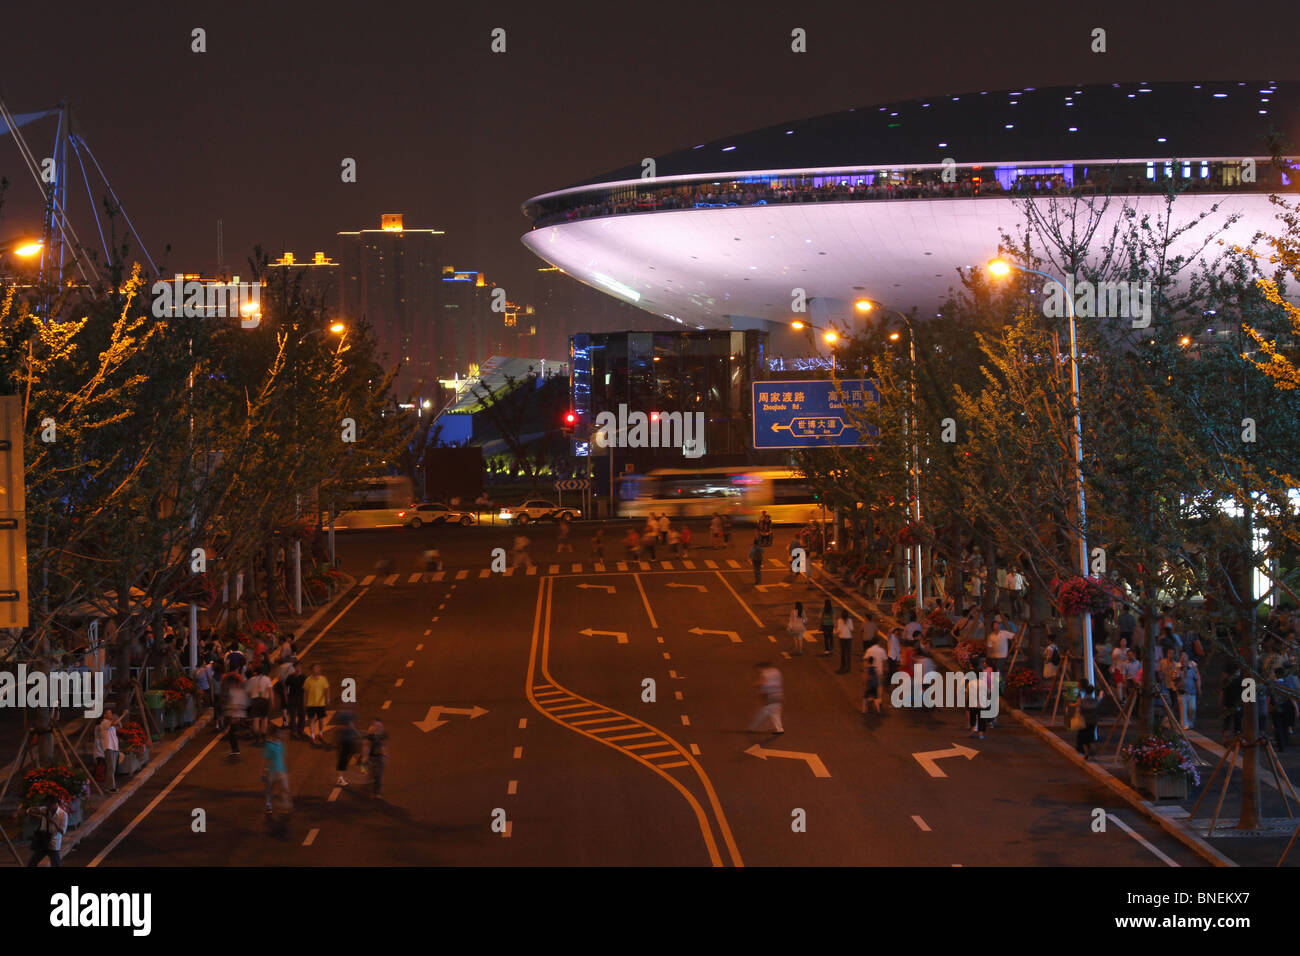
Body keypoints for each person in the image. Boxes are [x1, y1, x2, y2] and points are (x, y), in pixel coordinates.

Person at [26, 794, 68, 868]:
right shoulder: (45, 810)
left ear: (55, 804)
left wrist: (53, 821)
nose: (48, 807)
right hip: (43, 840)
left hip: (53, 842)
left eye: (49, 805)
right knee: (32, 862)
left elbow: (62, 831)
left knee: (56, 863)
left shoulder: (63, 815)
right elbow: (29, 810)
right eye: (46, 805)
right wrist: (36, 811)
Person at [94, 707, 128, 793]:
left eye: (111, 713)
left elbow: (118, 726)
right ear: (104, 715)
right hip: (109, 748)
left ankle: (110, 786)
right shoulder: (104, 723)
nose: (110, 715)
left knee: (113, 768)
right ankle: (110, 787)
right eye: (108, 713)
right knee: (111, 768)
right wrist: (123, 715)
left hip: (114, 748)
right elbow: (115, 723)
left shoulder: (109, 723)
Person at [262, 725, 292, 814]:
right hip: (272, 771)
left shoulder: (281, 744)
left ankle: (286, 806)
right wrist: (263, 772)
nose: (281, 734)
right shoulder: (269, 745)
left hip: (281, 770)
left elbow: (282, 757)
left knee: (285, 789)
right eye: (279, 733)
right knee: (270, 789)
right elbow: (265, 759)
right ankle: (268, 805)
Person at [749, 662, 784, 734]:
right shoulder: (776, 671)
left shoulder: (764, 673)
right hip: (778, 693)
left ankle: (753, 728)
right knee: (773, 711)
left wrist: (755, 684)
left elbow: (763, 683)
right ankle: (753, 727)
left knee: (768, 711)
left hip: (770, 695)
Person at [1270, 665, 1299, 751]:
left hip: (1276, 707)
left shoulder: (1273, 685)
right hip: (1287, 707)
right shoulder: (1287, 683)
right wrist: (1296, 708)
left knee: (1278, 727)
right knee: (1285, 726)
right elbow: (1291, 697)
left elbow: (1269, 698)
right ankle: (1285, 743)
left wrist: (1269, 708)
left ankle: (1280, 745)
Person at [223, 672, 249, 757]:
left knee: (232, 733)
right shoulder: (242, 691)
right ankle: (235, 749)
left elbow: (233, 705)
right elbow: (246, 703)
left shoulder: (232, 691)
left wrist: (233, 711)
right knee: (232, 732)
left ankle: (235, 749)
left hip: (235, 715)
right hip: (240, 714)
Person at [304, 663, 330, 745]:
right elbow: (305, 692)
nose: (317, 670)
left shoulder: (323, 679)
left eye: (318, 668)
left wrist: (327, 699)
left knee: (321, 720)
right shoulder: (308, 680)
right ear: (312, 670)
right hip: (311, 704)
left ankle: (320, 734)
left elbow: (327, 690)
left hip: (320, 704)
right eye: (315, 668)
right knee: (311, 720)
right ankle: (312, 736)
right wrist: (305, 702)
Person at [246, 666, 274, 743]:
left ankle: (257, 737)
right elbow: (270, 691)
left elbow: (248, 692)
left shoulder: (251, 680)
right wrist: (272, 702)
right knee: (264, 718)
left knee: (256, 718)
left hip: (255, 700)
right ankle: (263, 736)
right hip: (265, 699)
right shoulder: (267, 679)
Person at [1072, 683, 1100, 758]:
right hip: (1093, 721)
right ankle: (1094, 753)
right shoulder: (1095, 700)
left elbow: (1079, 710)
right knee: (1091, 737)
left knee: (1083, 737)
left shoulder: (1082, 701)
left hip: (1084, 721)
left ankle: (1086, 753)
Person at [364, 718, 389, 796]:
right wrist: (365, 756)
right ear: (373, 726)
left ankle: (377, 792)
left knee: (378, 776)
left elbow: (383, 744)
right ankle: (368, 784)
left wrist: (384, 753)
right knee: (370, 774)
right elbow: (366, 746)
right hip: (371, 757)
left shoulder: (383, 734)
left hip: (379, 757)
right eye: (377, 726)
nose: (379, 728)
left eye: (380, 726)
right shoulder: (369, 735)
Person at [862, 640, 888, 715]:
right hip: (879, 672)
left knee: (865, 696)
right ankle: (879, 703)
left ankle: (864, 709)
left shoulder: (869, 650)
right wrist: (885, 669)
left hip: (869, 681)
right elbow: (885, 661)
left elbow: (865, 661)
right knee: (879, 687)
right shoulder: (882, 650)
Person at [1178, 651, 1201, 730]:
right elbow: (1174, 680)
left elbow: (1196, 679)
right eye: (1182, 660)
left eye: (1185, 660)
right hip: (1182, 693)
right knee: (1183, 709)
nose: (1184, 662)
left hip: (1192, 693)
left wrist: (1199, 689)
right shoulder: (1178, 670)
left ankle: (1191, 722)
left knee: (1192, 708)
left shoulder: (1192, 670)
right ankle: (1184, 724)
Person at [284, 661, 308, 738]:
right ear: (294, 668)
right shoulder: (290, 677)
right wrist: (286, 697)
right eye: (296, 667)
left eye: (299, 667)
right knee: (293, 716)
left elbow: (306, 690)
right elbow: (285, 687)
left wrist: (306, 700)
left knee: (302, 715)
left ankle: (301, 731)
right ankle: (293, 732)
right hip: (292, 697)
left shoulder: (304, 677)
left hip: (301, 698)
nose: (298, 668)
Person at [336, 712, 360, 787]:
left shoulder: (346, 715)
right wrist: (357, 733)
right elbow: (350, 726)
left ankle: (363, 768)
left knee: (347, 758)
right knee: (344, 760)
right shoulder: (347, 717)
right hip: (346, 741)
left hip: (347, 741)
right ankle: (340, 779)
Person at [834, 609, 855, 674]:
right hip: (848, 637)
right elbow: (851, 629)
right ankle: (848, 668)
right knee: (848, 653)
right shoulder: (850, 620)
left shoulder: (839, 621)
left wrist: (835, 631)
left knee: (843, 653)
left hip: (842, 637)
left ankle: (842, 666)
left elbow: (839, 630)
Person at [1111, 638, 1129, 704]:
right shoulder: (1116, 650)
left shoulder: (1128, 650)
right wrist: (1112, 667)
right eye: (1122, 641)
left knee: (1125, 686)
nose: (1123, 642)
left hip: (1126, 670)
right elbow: (1113, 660)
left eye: (1124, 641)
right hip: (1118, 669)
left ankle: (1125, 698)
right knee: (1119, 685)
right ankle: (1120, 700)